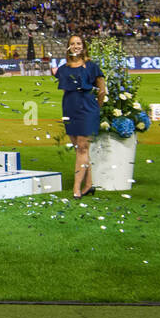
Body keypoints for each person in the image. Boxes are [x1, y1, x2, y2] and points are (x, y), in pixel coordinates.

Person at [54, 34, 106, 198]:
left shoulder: (92, 66)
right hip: (70, 108)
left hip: (88, 108)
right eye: (73, 43)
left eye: (79, 43)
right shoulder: (63, 69)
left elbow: (102, 90)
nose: (76, 46)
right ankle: (89, 184)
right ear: (68, 47)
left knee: (82, 148)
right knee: (79, 149)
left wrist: (96, 107)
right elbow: (63, 87)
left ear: (83, 46)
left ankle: (77, 188)